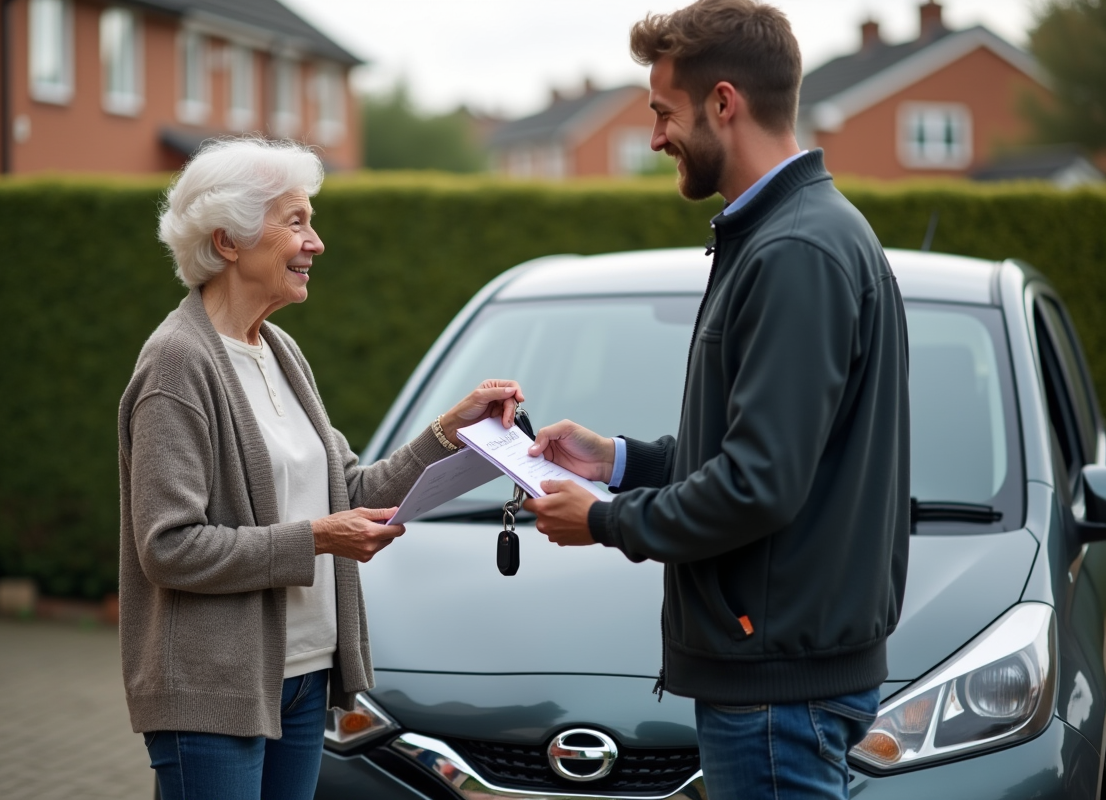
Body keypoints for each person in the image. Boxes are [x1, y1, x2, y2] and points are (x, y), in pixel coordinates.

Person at [522, 2, 910, 799]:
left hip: (775, 685)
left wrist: (601, 520)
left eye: (664, 113)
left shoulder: (795, 250)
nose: (657, 136)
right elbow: (756, 450)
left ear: (724, 103)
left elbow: (757, 483)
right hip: (777, 671)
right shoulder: (783, 235)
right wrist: (620, 461)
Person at [117, 137, 524, 800]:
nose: (317, 242)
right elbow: (168, 547)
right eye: (296, 221)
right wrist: (316, 539)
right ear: (228, 242)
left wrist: (452, 429)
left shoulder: (281, 351)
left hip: (303, 677)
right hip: (214, 691)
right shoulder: (177, 365)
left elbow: (351, 490)